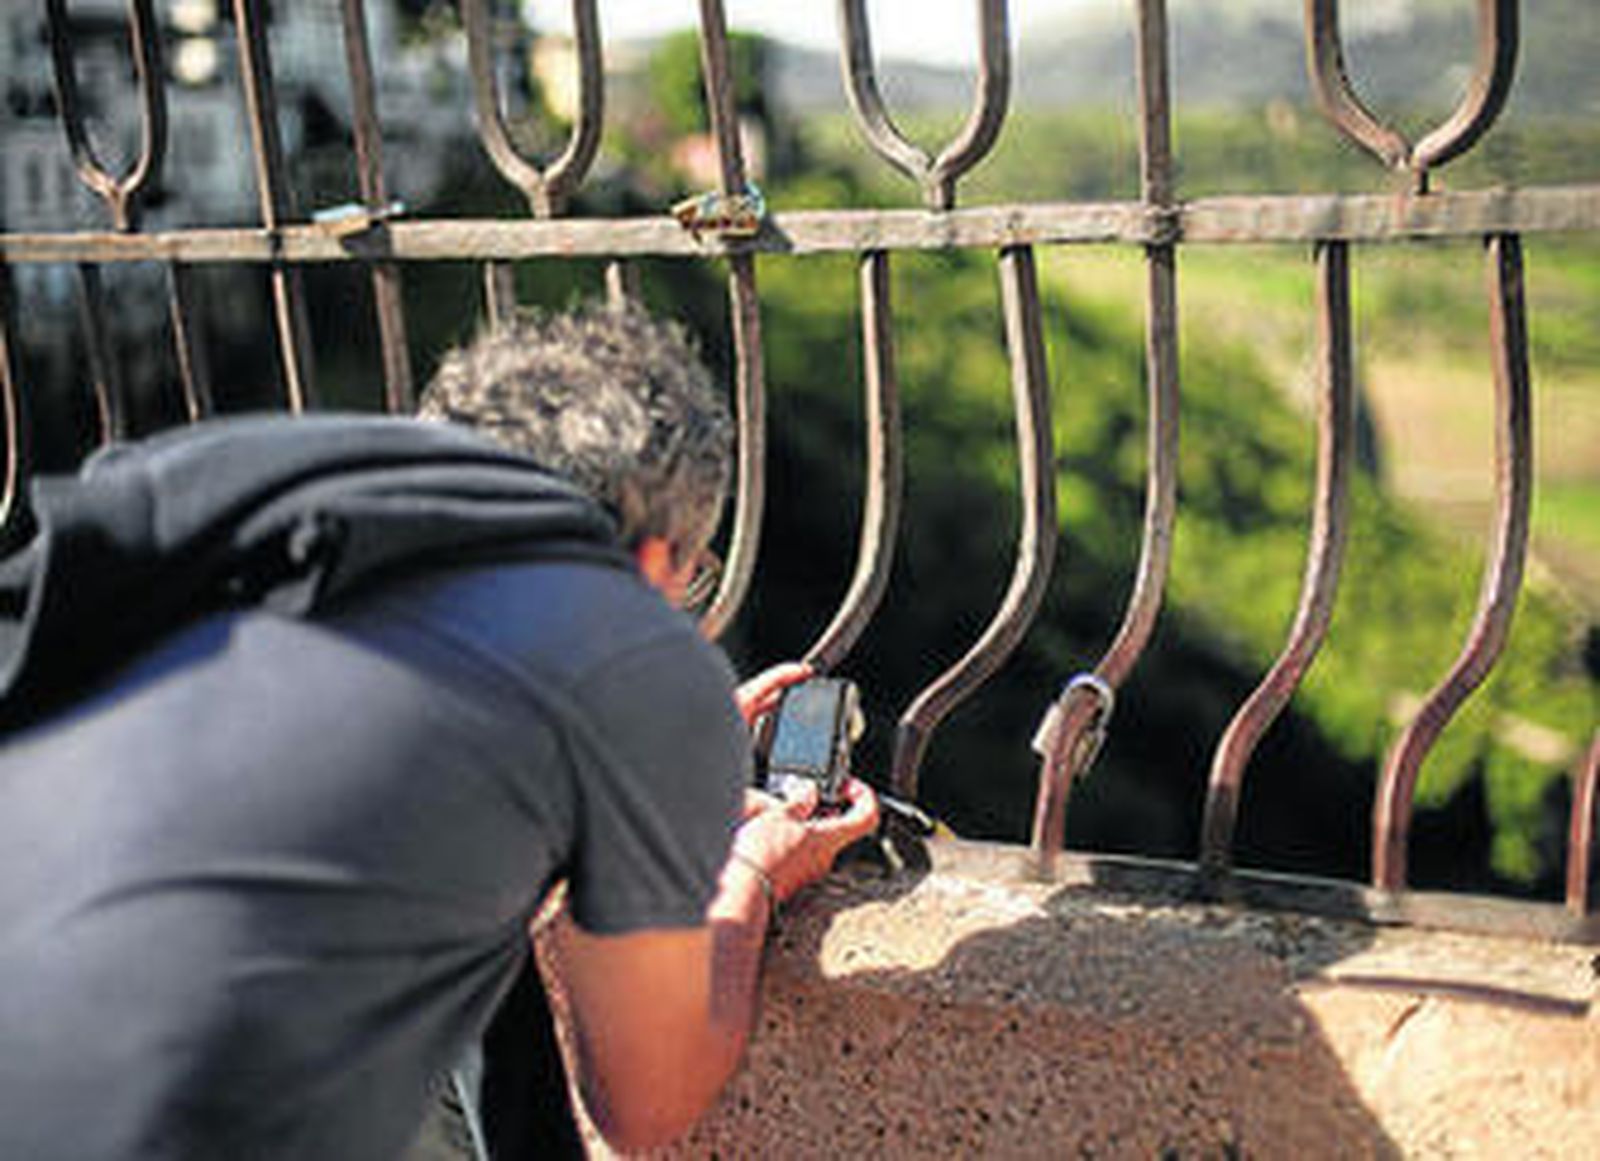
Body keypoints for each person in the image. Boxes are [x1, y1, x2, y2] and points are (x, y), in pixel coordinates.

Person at [0, 302, 879, 1159]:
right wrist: (751, 874)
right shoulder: (618, 639)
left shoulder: (254, 520)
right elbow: (646, 1102)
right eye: (692, 574)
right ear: (654, 557)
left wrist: (641, 784)